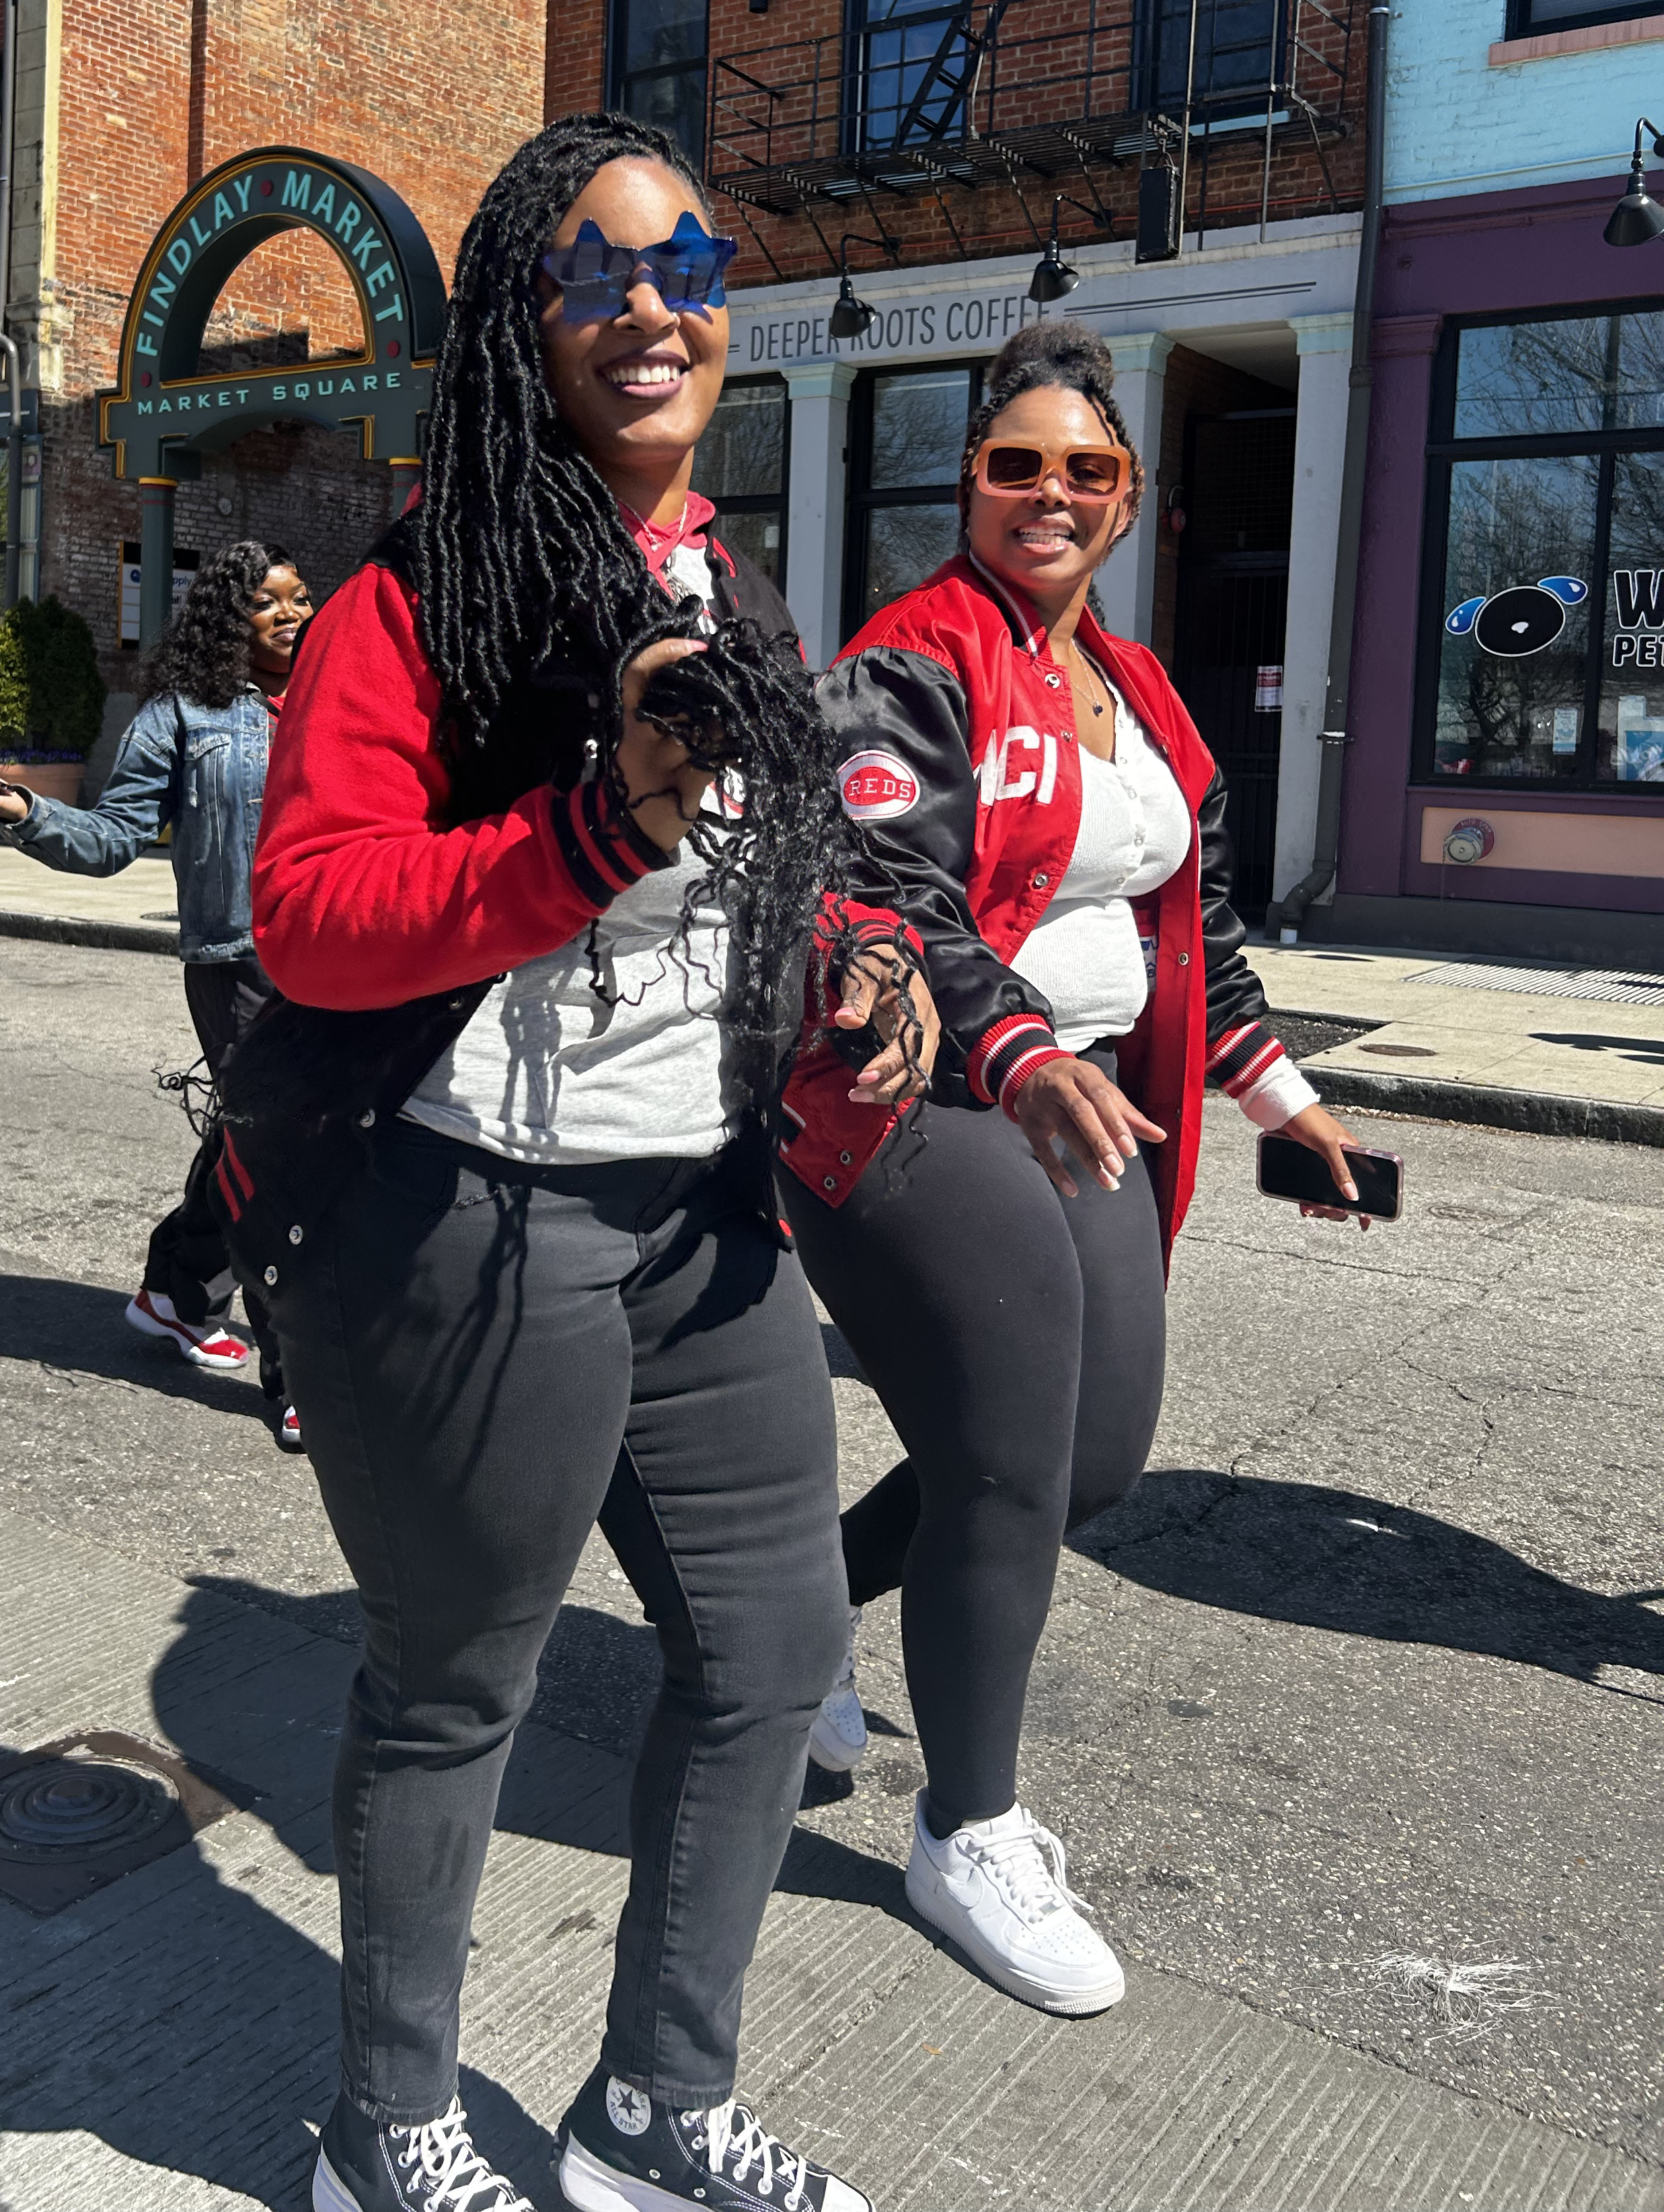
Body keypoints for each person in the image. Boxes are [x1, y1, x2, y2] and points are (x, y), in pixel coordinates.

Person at [215, 114, 924, 2212]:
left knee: (772, 1658)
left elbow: (802, 873)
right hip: (475, 1215)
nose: (649, 308)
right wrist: (592, 823)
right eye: (597, 272)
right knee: (458, 1693)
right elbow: (316, 913)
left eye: (689, 269)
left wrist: (868, 973)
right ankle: (392, 2125)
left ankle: (654, 2112)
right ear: (527, 318)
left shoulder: (740, 586)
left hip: (701, 1217)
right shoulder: (413, 593)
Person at [778, 318, 1371, 2022]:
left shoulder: (1152, 694)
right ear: (970, 481)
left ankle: (804, 1614)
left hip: (1098, 1098)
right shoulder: (909, 662)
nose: (1049, 494)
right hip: (924, 1101)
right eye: (1014, 464)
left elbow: (1202, 942)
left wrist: (1290, 1108)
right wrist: (1020, 1049)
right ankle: (966, 1829)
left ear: (1129, 501)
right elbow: (890, 899)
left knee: (1093, 1461)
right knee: (1010, 1459)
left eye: (1085, 471)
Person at [0, 542, 309, 1440]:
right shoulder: (184, 715)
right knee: (287, 1162)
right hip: (239, 963)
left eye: (302, 596)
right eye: (270, 602)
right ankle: (298, 1375)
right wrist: (16, 808)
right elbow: (112, 837)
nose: (293, 614)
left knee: (265, 1140)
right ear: (229, 616)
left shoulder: (342, 693)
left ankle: (180, 1289)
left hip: (340, 951)